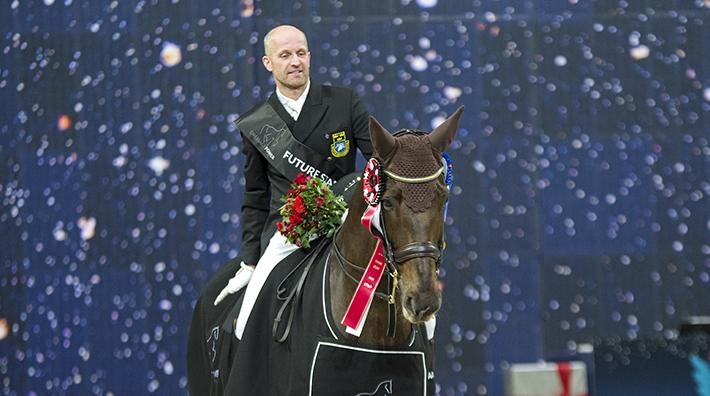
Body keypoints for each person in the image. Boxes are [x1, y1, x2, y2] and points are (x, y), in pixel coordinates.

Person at [214, 24, 373, 339]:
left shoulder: (345, 101)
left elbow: (378, 161)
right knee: (245, 324)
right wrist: (249, 262)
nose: (295, 61)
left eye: (301, 53)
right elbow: (256, 195)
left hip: (345, 225)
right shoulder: (257, 123)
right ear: (268, 63)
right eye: (285, 55)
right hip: (287, 234)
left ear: (310, 56)